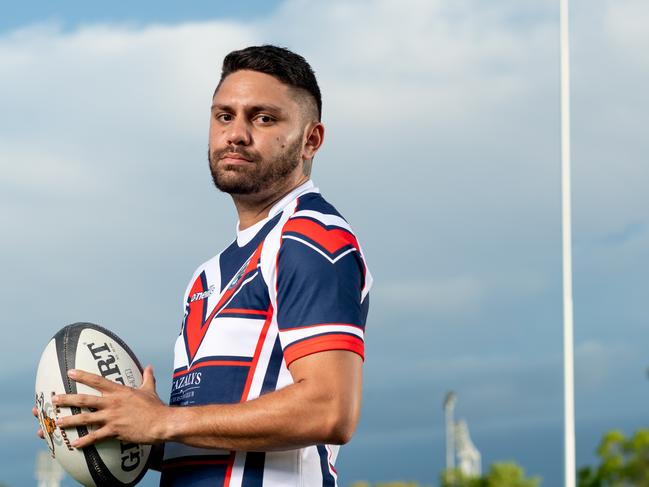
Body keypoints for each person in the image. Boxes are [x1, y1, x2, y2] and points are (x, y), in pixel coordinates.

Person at [35, 45, 372, 486]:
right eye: (224, 116)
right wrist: (116, 426)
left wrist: (163, 422)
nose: (236, 133)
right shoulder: (207, 276)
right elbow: (211, 437)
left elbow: (330, 409)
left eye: (264, 118)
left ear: (311, 139)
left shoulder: (312, 238)